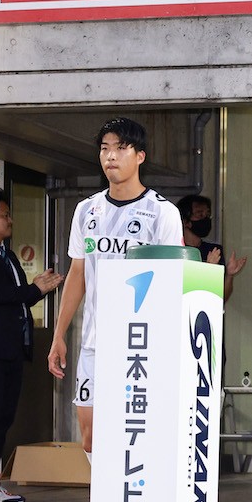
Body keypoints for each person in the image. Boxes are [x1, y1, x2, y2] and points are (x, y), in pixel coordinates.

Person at [48, 118, 184, 461]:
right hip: (95, 342)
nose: (111, 156)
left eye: (121, 148)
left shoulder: (163, 212)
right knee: (91, 437)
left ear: (140, 156)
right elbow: (77, 274)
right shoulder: (85, 211)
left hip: (142, 346)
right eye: (105, 149)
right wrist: (59, 335)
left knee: (138, 432)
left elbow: (174, 282)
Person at [0, 190, 62, 502]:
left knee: (2, 417)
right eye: (4, 215)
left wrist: (38, 288)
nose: (10, 220)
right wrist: (33, 289)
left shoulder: (5, 254)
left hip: (8, 349)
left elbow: (14, 296)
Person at [178, 194, 247, 301]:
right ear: (185, 221)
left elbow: (221, 298)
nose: (205, 218)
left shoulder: (214, 250)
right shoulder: (177, 252)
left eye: (208, 214)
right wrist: (208, 269)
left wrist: (229, 275)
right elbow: (184, 294)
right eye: (200, 214)